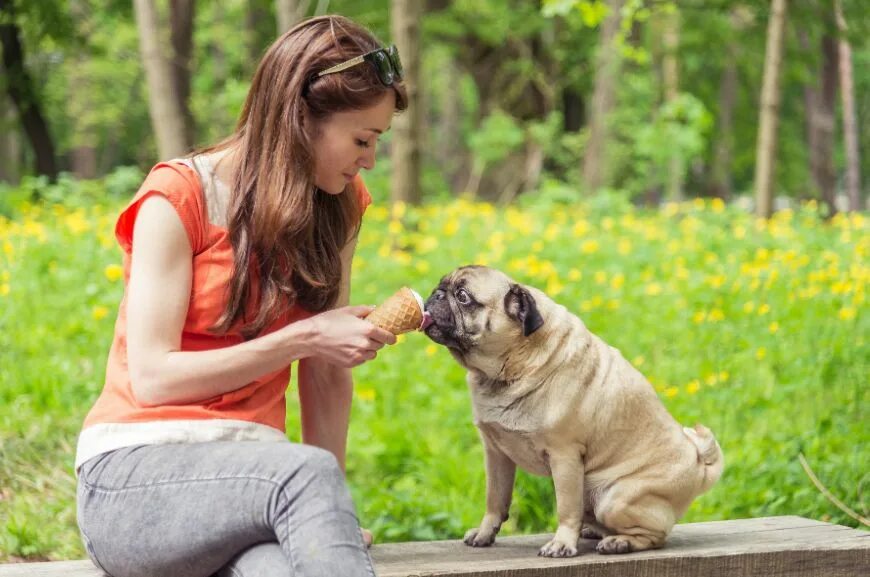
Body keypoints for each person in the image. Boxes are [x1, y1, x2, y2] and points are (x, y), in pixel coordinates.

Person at [75, 15, 407, 577]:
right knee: (306, 472)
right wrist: (302, 337)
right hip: (134, 481)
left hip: (259, 485)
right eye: (362, 139)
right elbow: (153, 378)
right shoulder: (177, 198)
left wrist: (325, 512)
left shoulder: (341, 203)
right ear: (301, 118)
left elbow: (325, 373)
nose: (369, 159)